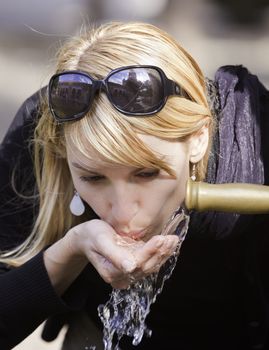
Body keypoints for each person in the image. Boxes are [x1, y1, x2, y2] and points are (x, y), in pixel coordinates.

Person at [0, 21, 268, 350]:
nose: (124, 213)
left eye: (146, 174)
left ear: (197, 139)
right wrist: (70, 251)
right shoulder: (40, 137)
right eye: (93, 177)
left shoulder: (256, 147)